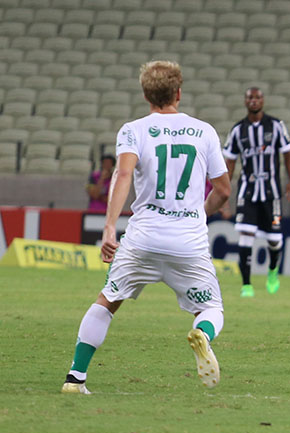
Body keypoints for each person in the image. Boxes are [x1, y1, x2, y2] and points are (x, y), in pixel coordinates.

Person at [61, 60, 231, 395]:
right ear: (179, 93)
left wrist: (109, 227)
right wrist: (200, 213)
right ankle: (202, 334)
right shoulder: (204, 130)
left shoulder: (133, 129)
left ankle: (75, 378)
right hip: (188, 240)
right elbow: (223, 190)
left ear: (145, 95)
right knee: (210, 308)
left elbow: (122, 175)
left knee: (107, 301)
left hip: (143, 237)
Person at [223, 87, 290, 298]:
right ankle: (246, 285)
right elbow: (230, 162)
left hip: (271, 193)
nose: (254, 101)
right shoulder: (238, 130)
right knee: (246, 236)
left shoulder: (275, 126)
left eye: (257, 97)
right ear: (245, 102)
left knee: (274, 240)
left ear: (263, 100)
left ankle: (273, 271)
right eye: (250, 98)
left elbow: (288, 154)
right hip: (248, 192)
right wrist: (225, 193)